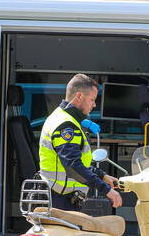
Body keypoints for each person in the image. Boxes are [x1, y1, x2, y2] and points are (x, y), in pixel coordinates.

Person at [38, 74, 122, 211]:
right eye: (92, 100)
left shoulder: (62, 116)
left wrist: (103, 176)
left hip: (58, 197)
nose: (94, 105)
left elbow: (77, 162)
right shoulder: (66, 125)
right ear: (79, 96)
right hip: (58, 200)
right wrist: (106, 189)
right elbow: (73, 166)